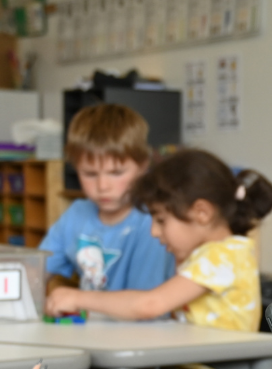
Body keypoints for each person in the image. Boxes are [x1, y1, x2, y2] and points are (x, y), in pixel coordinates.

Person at [47, 149, 272, 369]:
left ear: (202, 213)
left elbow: (149, 305)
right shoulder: (215, 253)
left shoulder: (221, 256)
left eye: (161, 220)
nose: (154, 232)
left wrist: (77, 297)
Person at [41, 103, 173, 294]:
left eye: (117, 173)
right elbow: (37, 271)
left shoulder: (153, 222)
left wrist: (77, 299)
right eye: (90, 174)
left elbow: (145, 304)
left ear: (143, 166)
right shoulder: (76, 214)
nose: (103, 186)